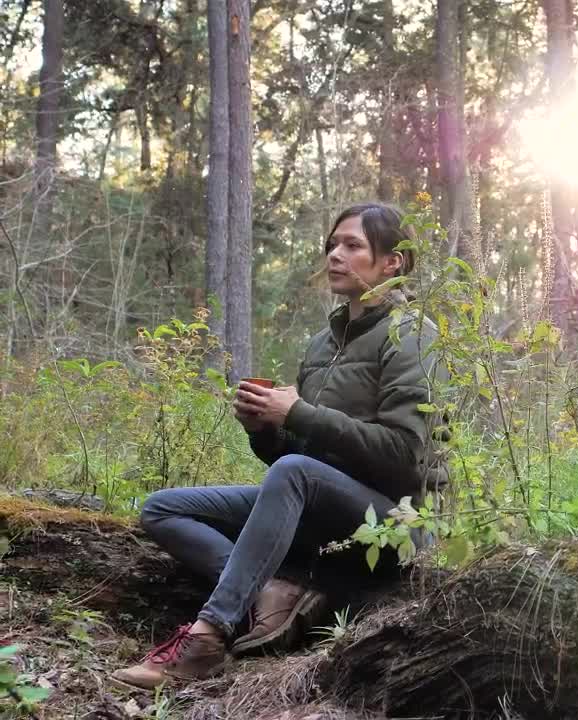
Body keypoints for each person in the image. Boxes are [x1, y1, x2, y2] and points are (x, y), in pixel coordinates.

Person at [112, 203, 449, 690]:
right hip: (323, 510)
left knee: (295, 471)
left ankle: (206, 640)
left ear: (392, 262)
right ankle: (271, 592)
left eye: (352, 246)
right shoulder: (322, 345)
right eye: (332, 244)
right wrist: (265, 429)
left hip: (397, 523)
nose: (335, 255)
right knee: (164, 508)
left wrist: (299, 415)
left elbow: (404, 459)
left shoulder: (412, 334)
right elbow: (292, 460)